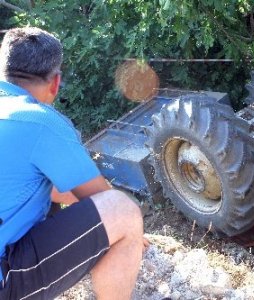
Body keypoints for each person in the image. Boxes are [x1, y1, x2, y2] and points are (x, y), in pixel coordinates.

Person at [0, 27, 146, 299]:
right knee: (123, 211)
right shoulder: (39, 120)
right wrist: (131, 232)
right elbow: (103, 199)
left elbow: (36, 188)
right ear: (55, 82)